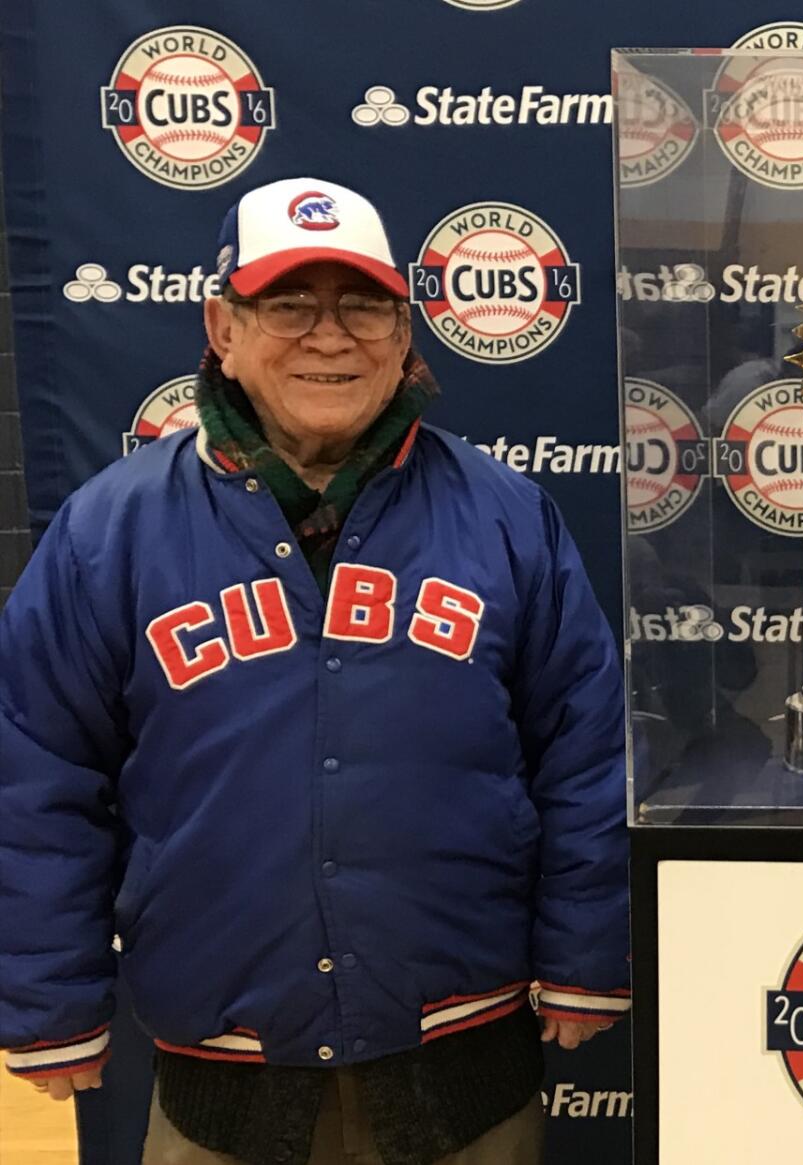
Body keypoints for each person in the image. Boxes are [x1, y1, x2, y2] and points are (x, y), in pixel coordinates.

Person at [0, 177, 630, 1165]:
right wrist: (48, 1001)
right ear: (222, 324)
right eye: (290, 303)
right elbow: (37, 772)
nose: (330, 337)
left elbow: (584, 753)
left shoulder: (505, 514)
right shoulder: (108, 531)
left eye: (364, 304)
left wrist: (585, 956)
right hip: (225, 1057)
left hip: (463, 1047)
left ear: (405, 326)